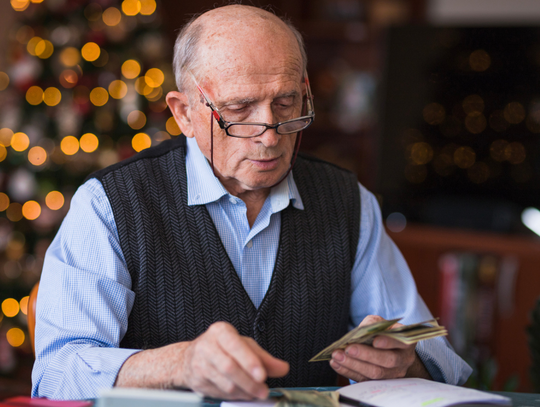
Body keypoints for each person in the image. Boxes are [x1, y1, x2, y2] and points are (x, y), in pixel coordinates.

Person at [31, 4, 472, 401]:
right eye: (240, 109)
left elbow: (433, 349)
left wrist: (407, 363)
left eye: (286, 102)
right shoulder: (110, 205)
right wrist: (177, 365)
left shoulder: (349, 202)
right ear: (184, 112)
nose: (270, 132)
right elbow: (55, 375)